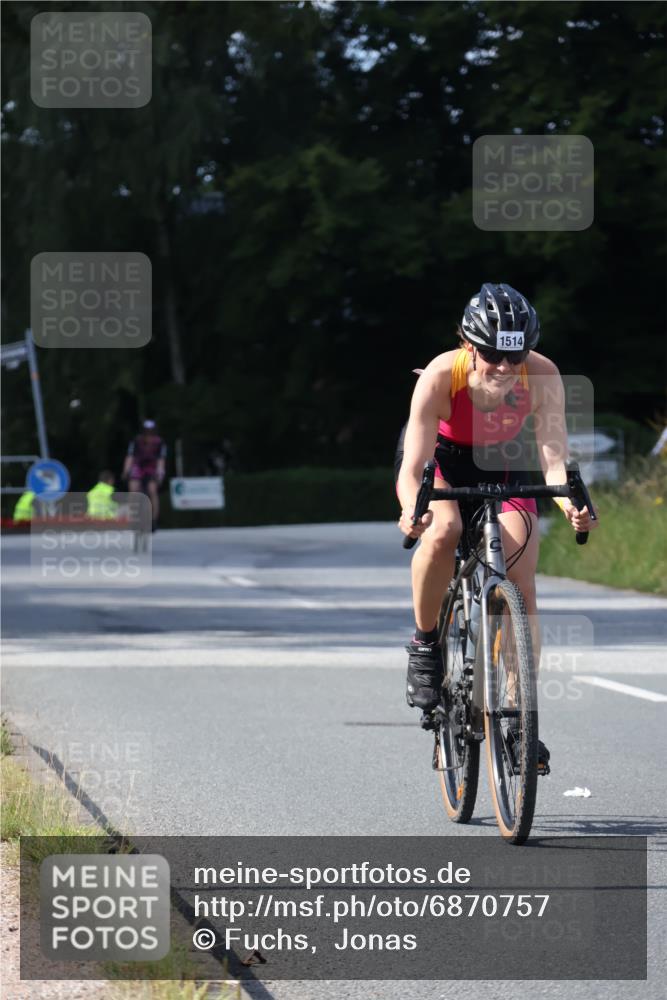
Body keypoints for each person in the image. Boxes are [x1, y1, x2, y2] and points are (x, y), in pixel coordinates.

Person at [395, 282, 597, 771]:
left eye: (516, 356)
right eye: (492, 355)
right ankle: (425, 645)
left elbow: (552, 453)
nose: (506, 368)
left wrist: (569, 500)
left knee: (520, 580)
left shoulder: (543, 374)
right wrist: (410, 509)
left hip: (502, 466)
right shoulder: (443, 374)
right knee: (443, 531)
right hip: (440, 463)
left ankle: (518, 719)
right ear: (470, 346)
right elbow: (413, 463)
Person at [122, 420, 167, 529]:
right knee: (133, 489)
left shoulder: (160, 442)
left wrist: (160, 473)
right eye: (147, 432)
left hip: (151, 467)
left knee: (152, 490)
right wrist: (126, 470)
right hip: (138, 466)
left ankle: (153, 520)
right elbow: (130, 456)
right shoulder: (136, 441)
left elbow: (161, 459)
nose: (148, 435)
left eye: (150, 432)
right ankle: (133, 519)